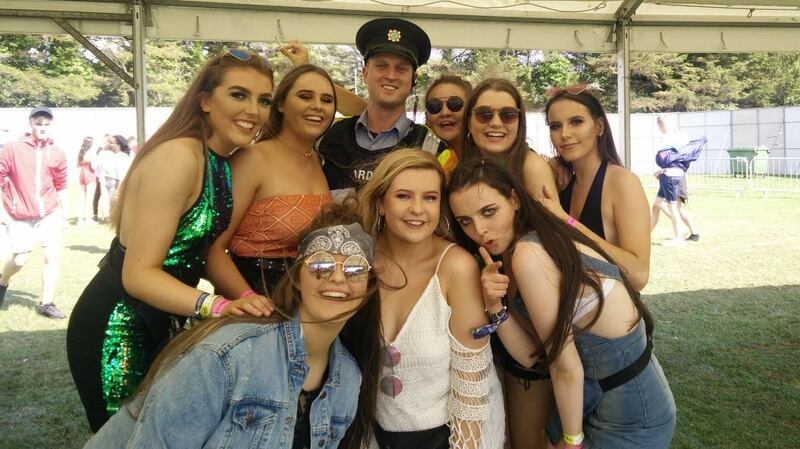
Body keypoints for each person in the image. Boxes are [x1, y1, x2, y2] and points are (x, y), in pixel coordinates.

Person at [66, 49, 275, 432]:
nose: (254, 110)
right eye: (239, 94)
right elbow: (139, 274)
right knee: (127, 439)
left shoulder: (220, 160)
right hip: (119, 328)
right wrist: (216, 306)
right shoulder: (180, 156)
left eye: (264, 100)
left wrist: (249, 302)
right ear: (206, 101)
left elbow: (207, 249)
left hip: (161, 319)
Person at [85, 203, 382, 449]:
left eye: (355, 268)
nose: (338, 279)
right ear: (297, 276)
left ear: (368, 285)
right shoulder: (227, 356)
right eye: (321, 265)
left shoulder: (347, 377)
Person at [448, 158, 676, 449]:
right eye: (465, 221)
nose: (480, 230)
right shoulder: (526, 244)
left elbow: (565, 366)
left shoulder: (530, 253)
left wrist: (572, 440)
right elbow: (532, 355)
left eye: (489, 211)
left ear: (515, 200)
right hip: (605, 398)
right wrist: (494, 305)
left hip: (631, 410)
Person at [356, 149, 504, 449]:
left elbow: (471, 382)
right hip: (371, 434)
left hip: (444, 437)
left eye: (430, 198)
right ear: (381, 203)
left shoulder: (456, 268)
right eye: (404, 196)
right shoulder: (359, 260)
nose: (418, 209)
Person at [462, 77, 558, 449]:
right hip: (488, 322)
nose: (495, 122)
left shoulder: (531, 168)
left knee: (525, 440)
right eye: (484, 113)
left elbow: (552, 244)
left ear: (520, 121)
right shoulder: (467, 168)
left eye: (507, 114)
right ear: (470, 121)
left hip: (526, 322)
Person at [206, 64, 336, 301]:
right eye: (305, 96)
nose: (318, 106)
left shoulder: (317, 159)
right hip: (255, 308)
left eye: (327, 100)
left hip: (304, 308)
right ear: (280, 104)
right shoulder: (252, 159)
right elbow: (211, 248)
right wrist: (247, 299)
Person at [318, 17, 443, 199]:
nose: (391, 76)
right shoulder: (328, 137)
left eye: (401, 69)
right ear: (365, 74)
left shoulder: (432, 149)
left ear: (413, 81)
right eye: (381, 66)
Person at [544, 84, 651, 291]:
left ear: (599, 126)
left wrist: (567, 221)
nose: (564, 134)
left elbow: (638, 276)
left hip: (615, 319)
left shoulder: (622, 183)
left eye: (576, 122)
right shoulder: (561, 182)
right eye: (555, 126)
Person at [0, 106, 68, 318]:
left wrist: (65, 214)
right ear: (31, 123)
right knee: (20, 259)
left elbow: (61, 185)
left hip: (49, 212)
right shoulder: (12, 149)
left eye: (47, 124)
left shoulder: (57, 152)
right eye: (39, 124)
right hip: (19, 213)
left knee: (52, 255)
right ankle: (3, 280)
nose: (43, 128)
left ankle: (46, 303)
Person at [650, 114, 700, 244]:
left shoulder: (677, 137)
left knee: (677, 206)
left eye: (662, 123)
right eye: (659, 123)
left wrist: (665, 170)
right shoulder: (668, 138)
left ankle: (684, 233)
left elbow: (677, 160)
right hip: (668, 174)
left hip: (674, 176)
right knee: (658, 205)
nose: (660, 126)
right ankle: (647, 234)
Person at [424, 75, 472, 176]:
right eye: (435, 106)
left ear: (470, 112)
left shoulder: (487, 160)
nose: (445, 112)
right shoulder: (414, 161)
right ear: (427, 117)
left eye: (454, 104)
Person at [94, 134, 132, 217]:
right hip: (106, 180)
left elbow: (123, 174)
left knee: (113, 201)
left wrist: (118, 188)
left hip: (116, 182)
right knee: (106, 200)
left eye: (111, 143)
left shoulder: (123, 157)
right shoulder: (107, 154)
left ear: (118, 145)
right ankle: (107, 217)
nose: (109, 144)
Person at [77, 136, 98, 225]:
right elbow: (94, 166)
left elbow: (77, 165)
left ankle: (80, 219)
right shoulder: (91, 153)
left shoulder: (81, 153)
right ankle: (88, 219)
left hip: (82, 174)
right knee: (89, 198)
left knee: (82, 198)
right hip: (90, 174)